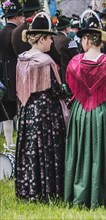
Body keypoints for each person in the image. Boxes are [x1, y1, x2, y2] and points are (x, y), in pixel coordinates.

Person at [64, 9, 106, 208]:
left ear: (86, 39)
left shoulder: (74, 63)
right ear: (99, 39)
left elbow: (71, 88)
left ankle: (82, 192)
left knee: (82, 151)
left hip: (82, 113)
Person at [15, 12, 67, 202]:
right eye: (50, 38)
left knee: (30, 149)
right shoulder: (45, 61)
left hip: (28, 110)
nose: (52, 42)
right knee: (46, 149)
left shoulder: (22, 58)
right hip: (46, 112)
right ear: (42, 38)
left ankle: (29, 189)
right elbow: (56, 89)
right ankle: (49, 191)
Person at [0, 0, 23, 151]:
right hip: (16, 74)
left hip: (2, 74)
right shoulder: (17, 33)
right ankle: (20, 140)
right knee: (20, 107)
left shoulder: (1, 32)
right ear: (16, 16)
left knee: (6, 110)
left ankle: (9, 141)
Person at [11, 0, 60, 65]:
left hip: (22, 69)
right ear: (35, 13)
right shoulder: (41, 29)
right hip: (42, 68)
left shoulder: (15, 32)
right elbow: (53, 53)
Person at [53, 14, 79, 82]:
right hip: (67, 76)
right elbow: (77, 58)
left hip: (55, 76)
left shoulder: (53, 39)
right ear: (66, 28)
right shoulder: (69, 40)